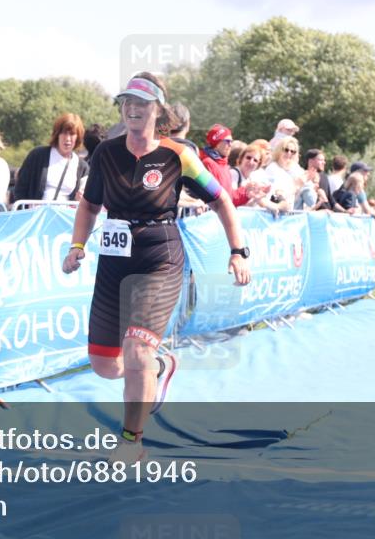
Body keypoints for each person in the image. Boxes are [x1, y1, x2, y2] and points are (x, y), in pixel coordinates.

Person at [62, 73, 250, 462]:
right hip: (113, 260)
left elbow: (221, 201)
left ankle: (132, 441)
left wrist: (238, 251)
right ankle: (161, 364)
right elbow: (89, 205)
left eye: (142, 103)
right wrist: (77, 245)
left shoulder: (177, 155)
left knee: (135, 348)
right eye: (126, 101)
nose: (132, 108)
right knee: (103, 364)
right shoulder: (106, 153)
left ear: (157, 110)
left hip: (159, 257)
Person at [14, 113, 89, 203]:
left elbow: (85, 198)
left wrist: (81, 198)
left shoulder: (82, 167)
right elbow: (20, 188)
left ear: (78, 137)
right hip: (37, 214)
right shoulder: (37, 155)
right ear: (57, 134)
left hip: (65, 216)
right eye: (64, 133)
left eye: (72, 134)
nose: (68, 138)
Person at [263, 137, 305, 212]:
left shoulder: (296, 169)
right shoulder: (272, 168)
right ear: (279, 151)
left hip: (288, 212)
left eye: (293, 151)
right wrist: (296, 187)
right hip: (272, 213)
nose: (289, 153)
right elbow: (275, 195)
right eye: (286, 150)